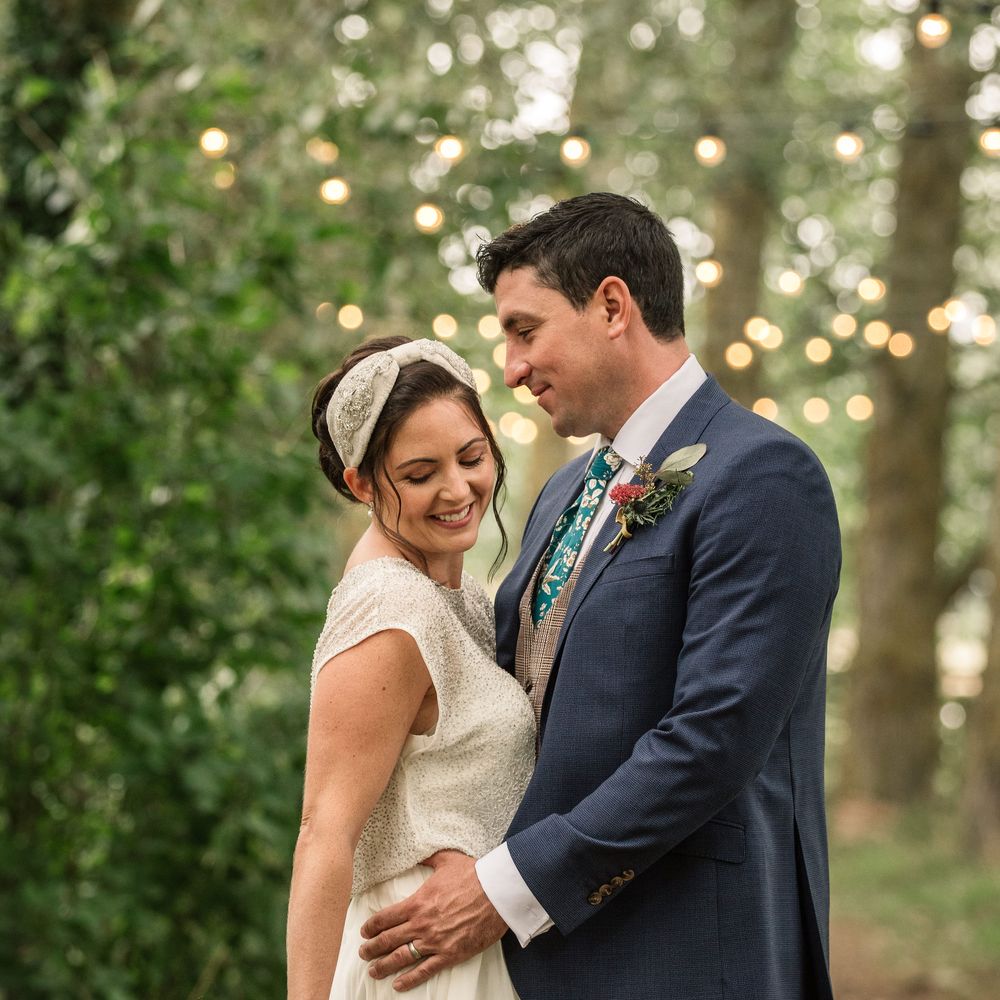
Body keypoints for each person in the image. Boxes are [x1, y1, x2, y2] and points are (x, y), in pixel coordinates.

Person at [357, 193, 842, 999]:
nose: (511, 368)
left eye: (524, 329)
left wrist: (504, 889)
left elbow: (712, 738)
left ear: (612, 306)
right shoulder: (566, 489)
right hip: (543, 961)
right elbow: (508, 698)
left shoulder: (764, 478)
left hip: (689, 951)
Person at [286, 336, 535, 999]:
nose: (459, 489)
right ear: (361, 484)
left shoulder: (459, 598)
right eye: (421, 474)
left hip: (470, 943)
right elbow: (323, 833)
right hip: (420, 964)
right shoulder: (391, 606)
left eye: (472, 456)